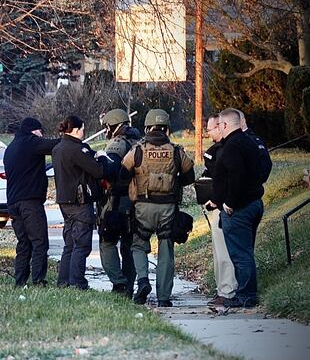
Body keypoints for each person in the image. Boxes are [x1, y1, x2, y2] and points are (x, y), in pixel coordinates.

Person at [121, 109, 194, 306]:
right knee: (166, 250)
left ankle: (143, 280)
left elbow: (123, 175)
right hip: (168, 208)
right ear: (167, 129)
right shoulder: (177, 151)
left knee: (138, 244)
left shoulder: (137, 150)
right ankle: (163, 298)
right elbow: (189, 177)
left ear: (147, 128)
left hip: (143, 207)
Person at [210, 109, 265, 308]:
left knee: (241, 255)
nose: (218, 129)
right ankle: (246, 293)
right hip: (255, 202)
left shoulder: (232, 146)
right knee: (246, 251)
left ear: (225, 125)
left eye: (219, 125)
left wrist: (229, 203)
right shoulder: (250, 142)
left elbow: (236, 176)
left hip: (239, 208)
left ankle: (246, 296)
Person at [3, 117, 60, 287]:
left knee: (23, 243)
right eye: (40, 132)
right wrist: (69, 137)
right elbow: (53, 145)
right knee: (39, 241)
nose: (41, 135)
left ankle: (20, 281)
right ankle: (38, 280)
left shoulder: (11, 148)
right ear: (34, 130)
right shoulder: (31, 142)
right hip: (30, 202)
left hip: (13, 203)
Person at [52, 115, 107, 290]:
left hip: (64, 200)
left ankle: (64, 281)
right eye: (82, 129)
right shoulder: (77, 150)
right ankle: (77, 282)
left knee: (69, 243)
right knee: (82, 244)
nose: (84, 132)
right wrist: (102, 157)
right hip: (80, 201)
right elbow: (97, 171)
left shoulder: (58, 148)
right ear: (76, 130)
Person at [97, 109, 140, 297]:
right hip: (136, 201)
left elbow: (111, 169)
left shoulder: (117, 143)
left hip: (116, 200)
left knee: (107, 242)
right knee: (129, 245)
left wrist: (99, 160)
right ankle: (129, 285)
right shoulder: (139, 140)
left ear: (111, 126)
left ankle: (119, 283)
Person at [200, 114, 237, 306]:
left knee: (224, 251)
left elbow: (224, 179)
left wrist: (216, 200)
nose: (209, 133)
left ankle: (228, 291)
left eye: (211, 128)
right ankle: (222, 288)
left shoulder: (224, 151)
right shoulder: (219, 150)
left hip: (223, 206)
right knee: (218, 252)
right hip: (220, 204)